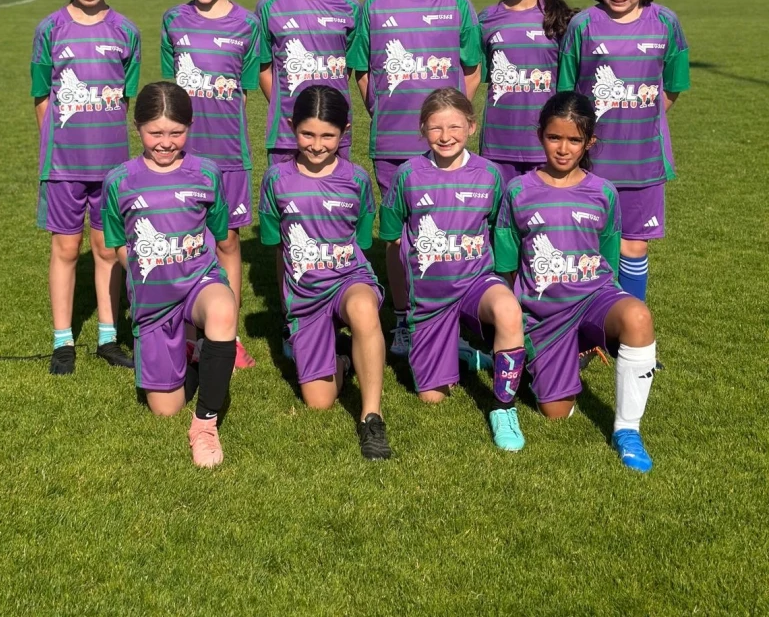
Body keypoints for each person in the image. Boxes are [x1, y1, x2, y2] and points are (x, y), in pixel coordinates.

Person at [494, 92, 658, 472]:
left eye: (574, 140)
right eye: (554, 138)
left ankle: (627, 430)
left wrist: (607, 311)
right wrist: (517, 328)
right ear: (540, 136)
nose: (563, 149)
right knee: (555, 413)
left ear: (589, 143)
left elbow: (608, 261)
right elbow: (507, 267)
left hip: (592, 298)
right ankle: (557, 357)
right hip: (544, 315)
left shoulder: (603, 192)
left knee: (637, 317)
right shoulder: (518, 191)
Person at [348, 0, 482, 357]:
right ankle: (405, 319)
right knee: (400, 236)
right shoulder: (376, 4)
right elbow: (362, 70)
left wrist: (453, 123)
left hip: (445, 145)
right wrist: (381, 107)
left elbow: (471, 69)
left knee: (447, 231)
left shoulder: (457, 2)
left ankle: (450, 318)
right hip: (393, 141)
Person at [379, 89, 526, 451]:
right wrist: (401, 313)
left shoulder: (490, 175)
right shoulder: (408, 175)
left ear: (472, 127)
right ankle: (467, 353)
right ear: (422, 130)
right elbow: (393, 244)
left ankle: (504, 408)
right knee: (432, 398)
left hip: (477, 284)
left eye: (455, 127)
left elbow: (500, 234)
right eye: (435, 128)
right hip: (429, 298)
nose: (446, 136)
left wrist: (508, 289)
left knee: (508, 310)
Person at [101, 82, 238, 468]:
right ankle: (197, 356)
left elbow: (220, 235)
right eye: (155, 132)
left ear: (190, 127)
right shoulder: (118, 181)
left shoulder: (207, 174)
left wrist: (217, 284)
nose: (165, 142)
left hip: (199, 282)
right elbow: (120, 246)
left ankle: (206, 426)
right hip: (153, 302)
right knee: (165, 408)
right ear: (137, 127)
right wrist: (151, 274)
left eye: (176, 133)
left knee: (222, 312)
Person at [258, 85, 392, 460]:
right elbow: (279, 250)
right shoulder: (275, 180)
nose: (317, 145)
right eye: (307, 134)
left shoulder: (358, 179)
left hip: (349, 280)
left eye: (328, 136)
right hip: (305, 295)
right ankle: (347, 356)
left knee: (364, 309)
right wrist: (288, 306)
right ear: (290, 127)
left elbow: (361, 243)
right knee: (318, 402)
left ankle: (372, 418)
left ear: (344, 132)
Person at [557, 0, 690, 301]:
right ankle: (591, 327)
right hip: (592, 161)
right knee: (590, 250)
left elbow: (673, 88)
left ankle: (630, 337)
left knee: (634, 249)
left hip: (644, 162)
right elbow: (566, 95)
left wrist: (639, 121)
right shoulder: (583, 25)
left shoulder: (665, 22)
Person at [31, 0, 139, 375]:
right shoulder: (50, 29)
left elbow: (125, 100)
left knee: (107, 247)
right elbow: (41, 96)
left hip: (111, 164)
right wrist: (54, 145)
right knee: (65, 246)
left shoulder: (126, 31)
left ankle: (109, 337)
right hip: (63, 164)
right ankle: (63, 342)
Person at [160, 0, 259, 368]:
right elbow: (169, 95)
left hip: (229, 154)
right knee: (182, 242)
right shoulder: (173, 21)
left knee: (226, 241)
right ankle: (183, 332)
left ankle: (229, 336)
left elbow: (248, 88)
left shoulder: (247, 25)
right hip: (182, 155)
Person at [256, 0, 359, 164]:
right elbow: (264, 67)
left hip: (333, 128)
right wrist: (291, 107)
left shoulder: (349, 6)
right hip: (285, 131)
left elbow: (347, 68)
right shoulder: (270, 5)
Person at [479, 0, 575, 187]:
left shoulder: (562, 20)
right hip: (497, 146)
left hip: (547, 146)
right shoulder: (487, 20)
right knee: (500, 222)